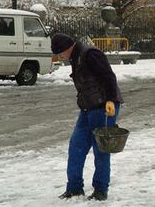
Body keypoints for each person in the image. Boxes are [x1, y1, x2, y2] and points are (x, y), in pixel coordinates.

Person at [51, 33, 123, 200]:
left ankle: (100, 190)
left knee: (101, 150)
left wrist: (111, 99)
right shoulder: (75, 57)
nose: (60, 57)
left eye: (60, 54)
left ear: (67, 48)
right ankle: (74, 188)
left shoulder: (90, 54)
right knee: (76, 146)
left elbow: (108, 77)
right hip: (87, 108)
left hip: (104, 107)